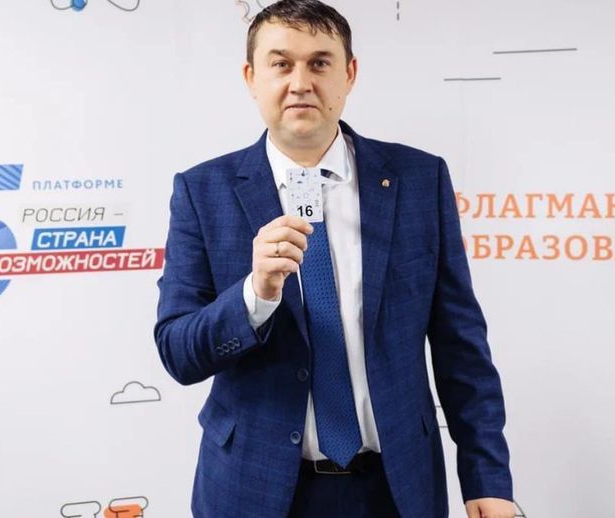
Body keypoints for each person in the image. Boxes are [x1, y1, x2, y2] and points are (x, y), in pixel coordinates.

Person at [154, 1, 514, 516]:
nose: (301, 82)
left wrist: (487, 478)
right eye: (281, 64)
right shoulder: (201, 192)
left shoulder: (419, 179)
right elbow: (178, 353)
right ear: (251, 78)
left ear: (349, 74)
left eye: (320, 63)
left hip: (396, 487)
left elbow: (462, 348)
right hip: (254, 489)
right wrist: (255, 295)